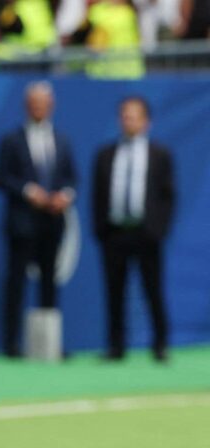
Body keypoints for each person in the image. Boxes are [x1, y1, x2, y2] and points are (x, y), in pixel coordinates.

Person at [0, 81, 77, 358]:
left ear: (51, 105)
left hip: (53, 223)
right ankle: (12, 343)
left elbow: (71, 177)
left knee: (49, 283)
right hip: (22, 223)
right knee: (16, 282)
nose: (39, 107)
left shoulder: (62, 140)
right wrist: (30, 192)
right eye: (34, 103)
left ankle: (49, 345)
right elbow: (1, 177)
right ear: (27, 106)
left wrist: (64, 195)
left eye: (43, 102)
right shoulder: (11, 140)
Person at [92, 96, 175, 362]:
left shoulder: (160, 155)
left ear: (146, 121)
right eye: (125, 115)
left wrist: (158, 230)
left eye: (134, 115)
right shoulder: (105, 154)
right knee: (114, 292)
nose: (129, 120)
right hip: (115, 233)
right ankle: (116, 346)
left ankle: (160, 344)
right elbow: (97, 196)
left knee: (153, 290)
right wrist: (101, 230)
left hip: (146, 233)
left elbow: (168, 197)